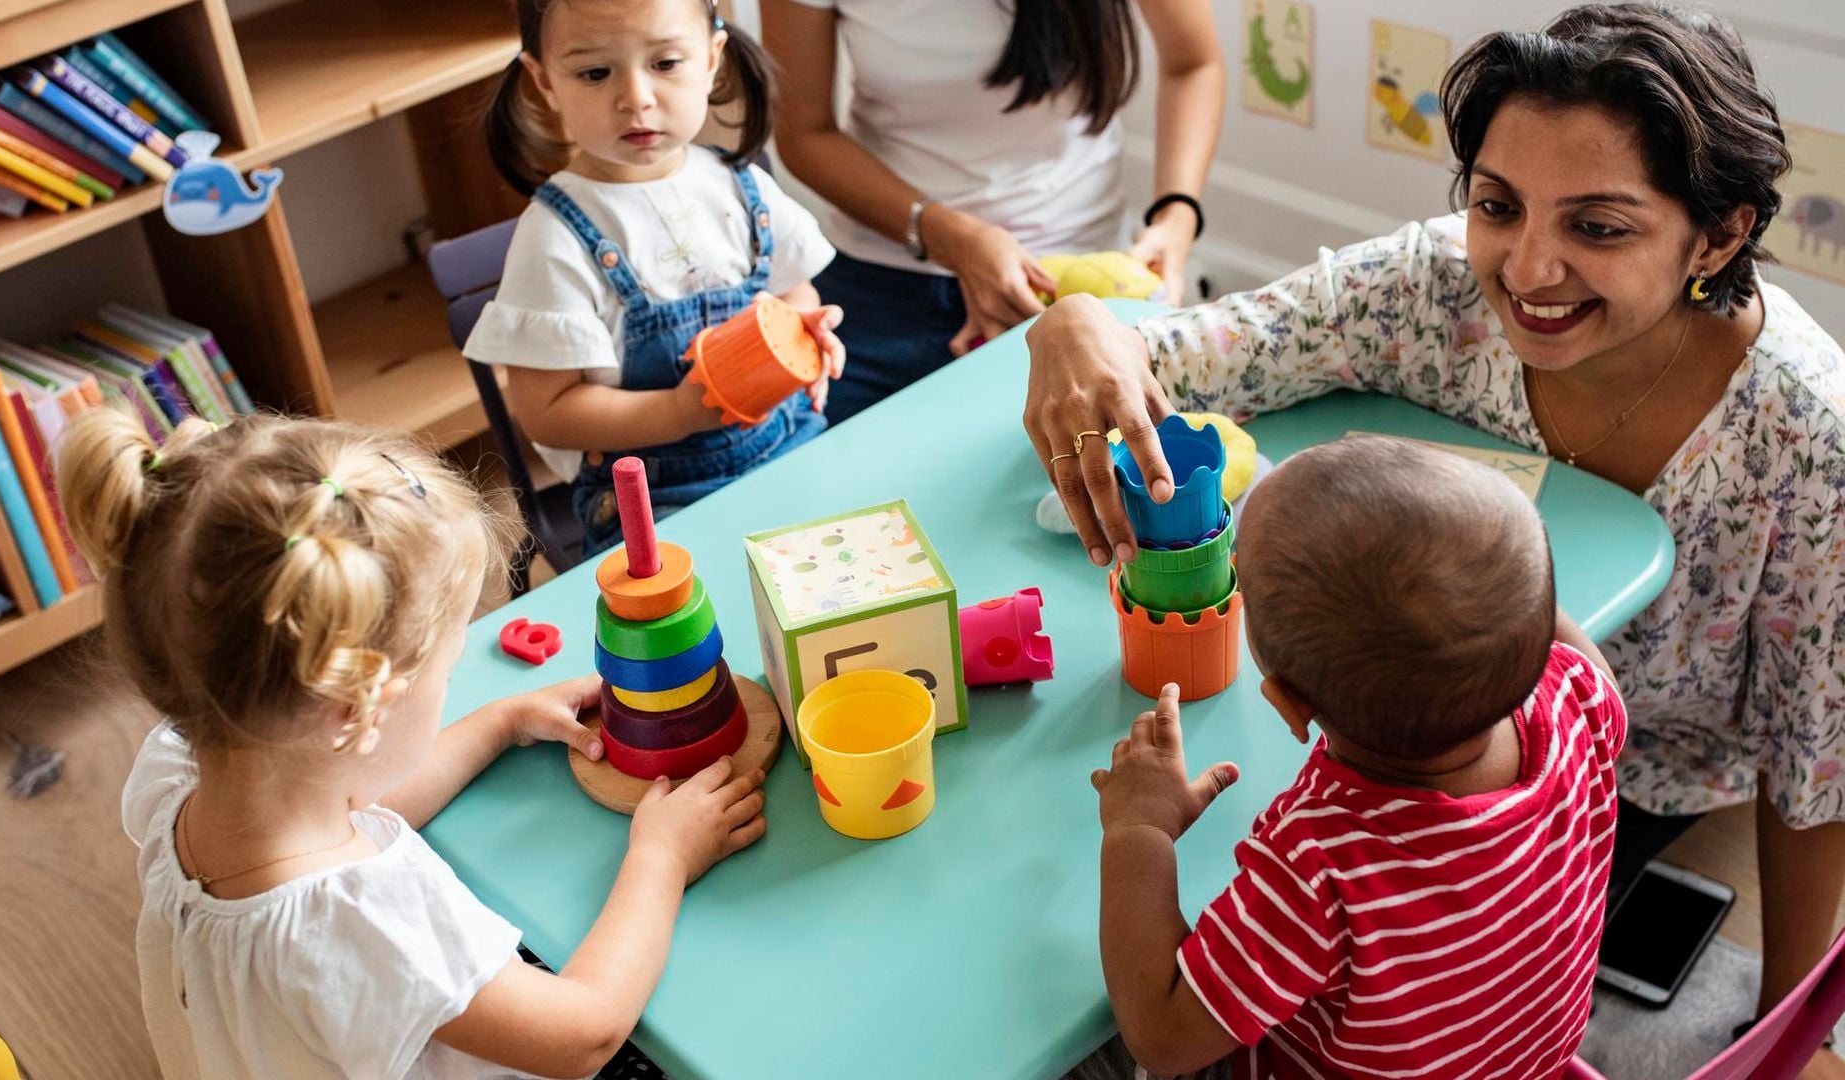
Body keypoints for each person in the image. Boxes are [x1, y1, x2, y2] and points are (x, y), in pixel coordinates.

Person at [1025, 2, 1845, 1024]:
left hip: (1633, 775)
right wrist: (1073, 321)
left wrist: (1791, 1026)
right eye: (1498, 205)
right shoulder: (1428, 290)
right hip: (1386, 716)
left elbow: (1820, 767)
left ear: (1717, 237)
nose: (1528, 270)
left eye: (1597, 227)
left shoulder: (1810, 439)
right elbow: (1180, 359)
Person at [59, 411, 765, 1078]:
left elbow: (352, 800)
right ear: (355, 711)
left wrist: (497, 722)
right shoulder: (364, 921)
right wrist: (661, 858)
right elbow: (585, 1033)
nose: (453, 685)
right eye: (447, 673)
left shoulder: (182, 773)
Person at [1085, 437, 1626, 1079]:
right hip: (1524, 1068)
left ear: (1288, 706)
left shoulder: (1322, 864)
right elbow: (1553, 641)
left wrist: (1138, 829)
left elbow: (1163, 1035)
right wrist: (1490, 581)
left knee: (1089, 1050)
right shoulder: (1578, 700)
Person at [465, 0, 845, 553]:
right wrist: (677, 412)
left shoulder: (741, 185)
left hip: (789, 441)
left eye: (665, 64)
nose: (636, 98)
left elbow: (792, 289)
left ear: (713, 57)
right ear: (544, 83)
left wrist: (802, 332)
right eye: (595, 73)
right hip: (658, 498)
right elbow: (548, 413)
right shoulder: (555, 238)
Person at [762, 0, 1224, 422]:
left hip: (1076, 285)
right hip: (881, 284)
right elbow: (804, 132)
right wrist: (948, 235)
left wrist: (1176, 216)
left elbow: (1194, 63)